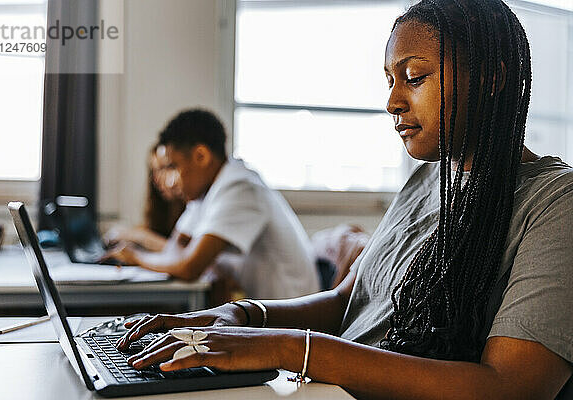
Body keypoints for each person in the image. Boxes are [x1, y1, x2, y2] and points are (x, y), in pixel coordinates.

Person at [114, 1, 573, 398]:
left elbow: (510, 388)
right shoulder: (427, 178)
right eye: (389, 80)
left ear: (492, 78)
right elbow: (346, 301)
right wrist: (241, 315)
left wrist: (289, 347)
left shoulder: (555, 202)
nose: (393, 101)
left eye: (414, 77)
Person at [104, 108, 320, 300]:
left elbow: (189, 267)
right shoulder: (204, 193)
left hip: (290, 318)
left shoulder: (240, 187)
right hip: (261, 310)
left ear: (201, 156)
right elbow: (173, 249)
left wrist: (136, 256)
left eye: (173, 167)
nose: (169, 181)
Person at [104, 144, 186, 252]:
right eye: (153, 171)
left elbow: (184, 253)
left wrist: (141, 237)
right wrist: (131, 234)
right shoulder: (164, 207)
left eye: (164, 168)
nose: (156, 179)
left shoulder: (195, 204)